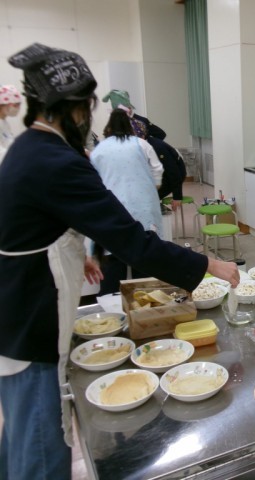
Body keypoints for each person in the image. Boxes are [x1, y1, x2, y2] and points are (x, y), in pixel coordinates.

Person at [0, 43, 239, 480]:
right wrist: (209, 264)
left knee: (20, 438)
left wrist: (80, 252)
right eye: (87, 107)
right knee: (39, 449)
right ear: (74, 108)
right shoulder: (56, 160)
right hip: (30, 326)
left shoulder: (29, 148)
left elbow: (45, 224)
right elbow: (133, 242)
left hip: (16, 313)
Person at [90, 109, 166, 295]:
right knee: (145, 258)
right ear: (129, 125)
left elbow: (92, 178)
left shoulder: (99, 149)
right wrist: (152, 188)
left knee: (113, 261)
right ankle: (147, 300)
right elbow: (158, 170)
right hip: (143, 209)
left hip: (112, 210)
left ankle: (110, 302)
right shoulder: (141, 144)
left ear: (108, 126)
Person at [102, 89, 166, 140]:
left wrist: (147, 143)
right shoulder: (113, 123)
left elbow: (161, 134)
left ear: (129, 108)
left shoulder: (142, 121)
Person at [0, 84, 22, 165]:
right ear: (2, 104)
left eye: (19, 104)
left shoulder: (4, 123)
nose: (18, 108)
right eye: (15, 105)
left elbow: (9, 143)